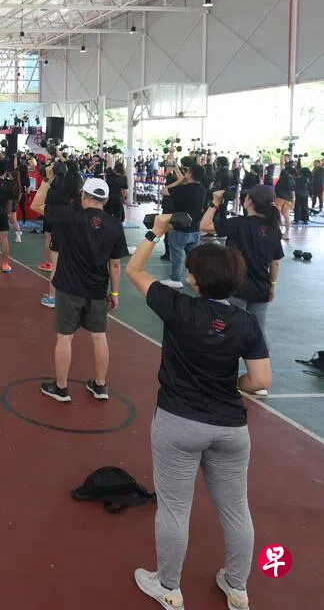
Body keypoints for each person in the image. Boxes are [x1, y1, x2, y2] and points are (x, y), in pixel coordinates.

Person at [125, 223, 270, 610]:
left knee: (174, 509)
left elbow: (134, 269)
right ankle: (237, 588)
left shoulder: (177, 306)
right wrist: (234, 383)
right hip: (231, 429)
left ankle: (169, 587)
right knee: (236, 510)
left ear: (193, 279)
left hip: (179, 422)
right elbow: (260, 380)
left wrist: (155, 232)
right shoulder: (246, 323)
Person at [31, 175, 127, 402]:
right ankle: (100, 386)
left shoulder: (68, 216)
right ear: (105, 200)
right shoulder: (115, 225)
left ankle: (61, 388)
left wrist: (47, 179)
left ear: (84, 195)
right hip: (98, 290)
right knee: (99, 336)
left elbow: (36, 205)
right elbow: (115, 265)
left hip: (68, 288)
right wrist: (114, 293)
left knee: (65, 337)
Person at [201, 184, 283, 337]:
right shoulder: (274, 229)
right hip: (261, 288)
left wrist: (215, 203)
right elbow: (275, 262)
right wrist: (272, 285)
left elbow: (204, 226)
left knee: (231, 331)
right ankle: (261, 353)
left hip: (237, 286)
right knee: (258, 332)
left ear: (250, 201)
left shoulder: (238, 224)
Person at [161, 163, 207, 288]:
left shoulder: (183, 189)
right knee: (193, 257)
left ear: (190, 174)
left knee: (177, 254)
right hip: (195, 228)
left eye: (187, 172)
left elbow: (164, 191)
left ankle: (175, 279)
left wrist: (179, 181)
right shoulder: (202, 189)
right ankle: (195, 278)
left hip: (180, 228)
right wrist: (177, 169)